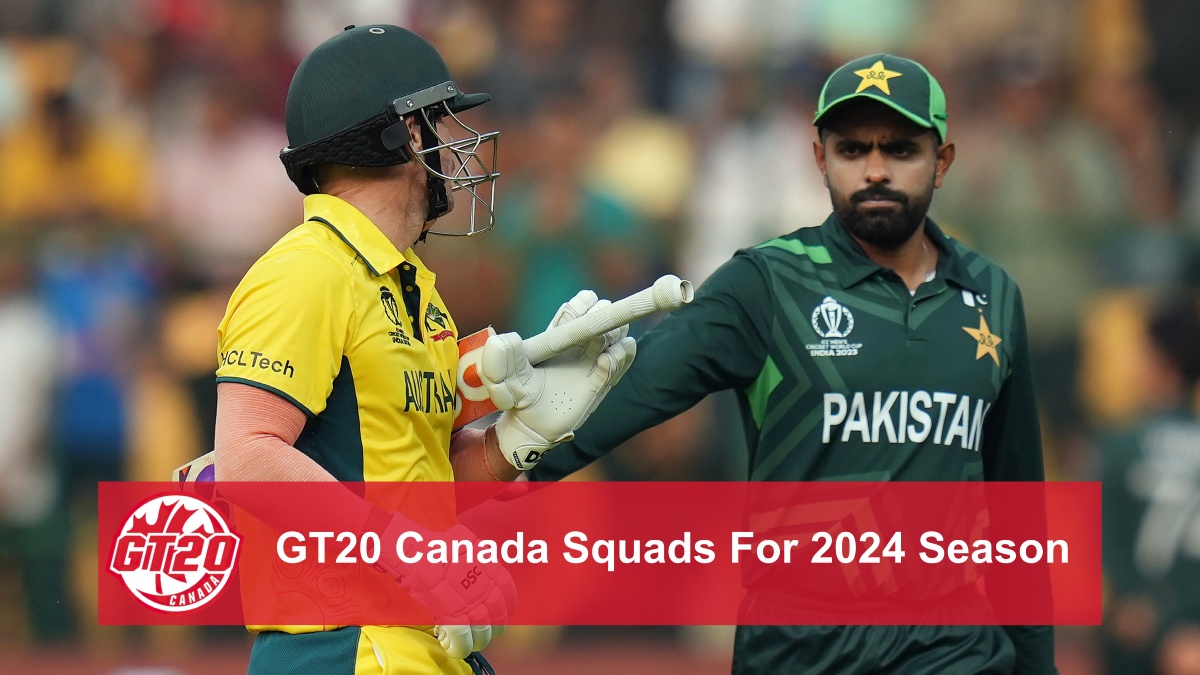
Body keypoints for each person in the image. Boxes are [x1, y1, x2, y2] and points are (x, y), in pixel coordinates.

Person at [522, 54, 1057, 673]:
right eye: (852, 149)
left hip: (952, 648)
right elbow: (633, 387)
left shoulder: (992, 294)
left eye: (901, 150)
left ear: (942, 161)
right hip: (801, 648)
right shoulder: (768, 282)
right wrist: (494, 464)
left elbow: (1019, 513)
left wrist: (1037, 666)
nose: (875, 170)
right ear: (819, 159)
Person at [211, 25, 634, 675]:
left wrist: (514, 442)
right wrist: (407, 549)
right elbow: (247, 459)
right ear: (404, 134)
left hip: (414, 642)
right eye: (440, 122)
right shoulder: (307, 269)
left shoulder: (409, 283)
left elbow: (418, 486)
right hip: (342, 647)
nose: (459, 142)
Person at [1098, 294, 1200, 675]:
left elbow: (1092, 535)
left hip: (1135, 629)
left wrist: (1134, 603)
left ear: (1162, 362)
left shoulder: (1120, 446)